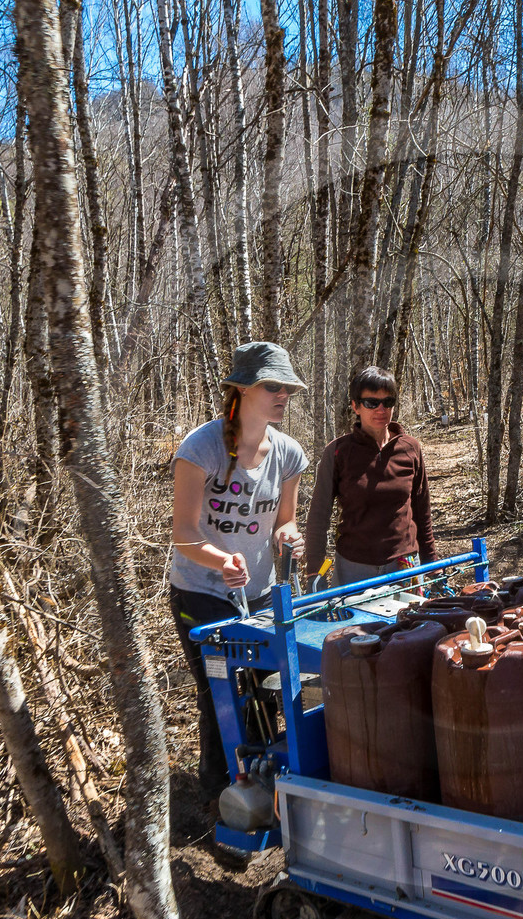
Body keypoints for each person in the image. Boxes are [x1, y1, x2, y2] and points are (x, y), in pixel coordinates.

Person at [170, 341, 309, 800]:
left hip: (262, 593)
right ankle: (220, 795)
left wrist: (288, 536)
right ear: (242, 390)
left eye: (288, 387)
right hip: (201, 592)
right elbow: (184, 533)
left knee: (266, 689)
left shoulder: (288, 453)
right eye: (273, 386)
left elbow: (284, 518)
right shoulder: (202, 447)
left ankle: (268, 787)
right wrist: (221, 560)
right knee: (220, 696)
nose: (283, 395)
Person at [305, 366, 437, 588]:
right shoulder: (338, 452)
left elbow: (422, 511)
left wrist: (432, 563)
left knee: (408, 623)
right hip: (353, 570)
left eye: (388, 401)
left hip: (404, 566)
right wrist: (314, 574)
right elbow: (319, 517)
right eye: (371, 402)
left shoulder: (410, 448)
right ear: (356, 406)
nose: (381, 409)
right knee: (352, 625)